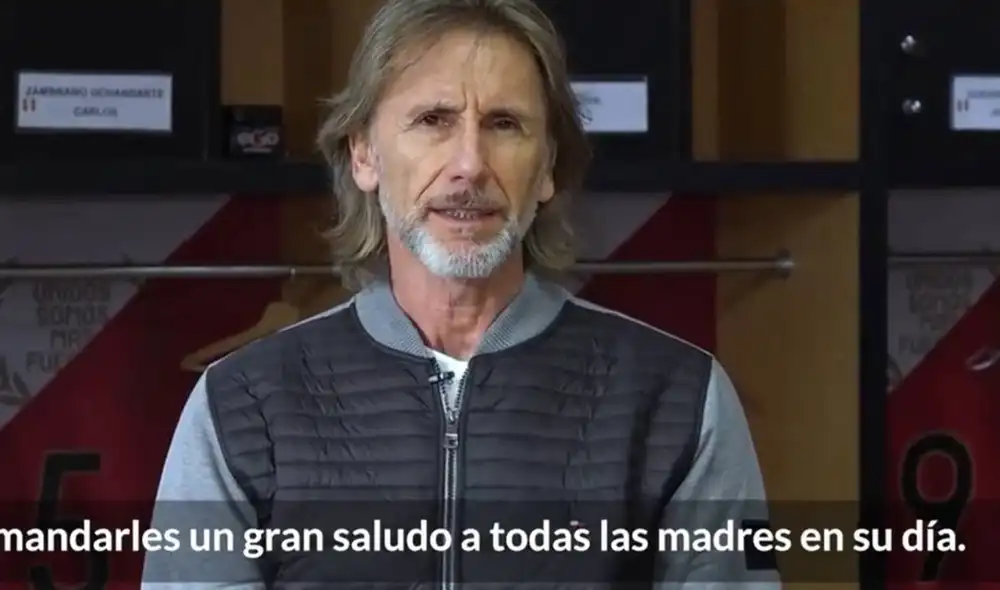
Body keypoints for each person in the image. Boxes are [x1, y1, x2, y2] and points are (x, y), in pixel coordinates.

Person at [142, 0, 778, 587]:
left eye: (504, 124)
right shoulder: (241, 406)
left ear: (549, 166)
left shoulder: (679, 399)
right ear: (363, 152)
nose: (470, 164)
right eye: (432, 121)